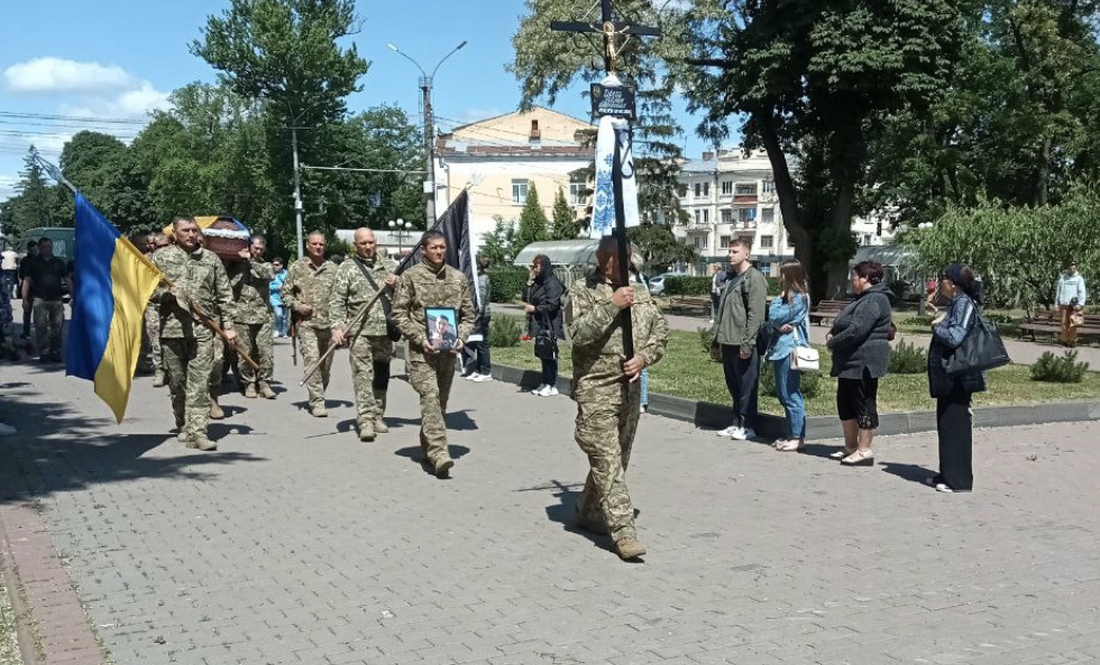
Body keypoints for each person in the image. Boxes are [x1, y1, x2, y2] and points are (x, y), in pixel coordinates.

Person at [567, 235, 669, 561]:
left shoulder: (640, 292)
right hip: (596, 390)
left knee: (617, 459)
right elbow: (577, 333)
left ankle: (586, 512)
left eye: (626, 256)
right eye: (615, 257)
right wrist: (613, 305)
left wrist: (643, 358)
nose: (623, 263)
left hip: (629, 390)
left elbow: (660, 333)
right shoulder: (581, 290)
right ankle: (624, 534)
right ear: (602, 259)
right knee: (608, 461)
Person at [391, 230, 475, 478]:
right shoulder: (411, 277)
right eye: (434, 248)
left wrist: (462, 337)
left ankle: (428, 447)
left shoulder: (458, 279)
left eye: (442, 248)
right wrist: (419, 337)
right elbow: (399, 314)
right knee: (430, 397)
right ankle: (439, 453)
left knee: (439, 404)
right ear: (423, 250)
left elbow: (469, 316)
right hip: (421, 354)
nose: (439, 252)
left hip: (447, 354)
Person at [150, 216, 237, 451]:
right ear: (174, 234)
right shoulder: (161, 257)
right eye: (185, 230)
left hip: (203, 329)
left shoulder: (210, 259)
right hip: (172, 328)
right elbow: (147, 293)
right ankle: (183, 424)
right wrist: (167, 295)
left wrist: (228, 326)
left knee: (200, 383)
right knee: (178, 383)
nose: (190, 234)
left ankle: (198, 432)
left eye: (193, 230)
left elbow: (225, 295)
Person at [330, 228, 399, 441]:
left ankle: (378, 414)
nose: (368, 247)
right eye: (363, 243)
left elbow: (404, 298)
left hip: (385, 332)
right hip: (360, 331)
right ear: (355, 245)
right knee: (362, 376)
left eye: (371, 242)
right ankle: (365, 419)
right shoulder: (347, 268)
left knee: (381, 375)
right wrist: (337, 327)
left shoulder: (390, 267)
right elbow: (337, 301)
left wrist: (397, 286)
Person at [925, 263, 986, 493]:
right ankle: (947, 471)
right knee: (946, 423)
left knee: (956, 425)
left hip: (959, 375)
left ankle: (958, 480)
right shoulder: (957, 302)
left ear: (952, 283)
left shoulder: (964, 303)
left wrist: (937, 326)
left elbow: (955, 337)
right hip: (949, 375)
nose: (940, 283)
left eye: (943, 279)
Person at [826, 260, 893, 466]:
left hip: (864, 362)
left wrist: (833, 342)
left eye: (853, 278)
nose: (851, 281)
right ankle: (850, 446)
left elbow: (857, 330)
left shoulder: (875, 300)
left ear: (865, 279)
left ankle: (864, 450)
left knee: (863, 405)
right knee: (845, 405)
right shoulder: (862, 299)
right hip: (849, 362)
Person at [712, 239, 767, 440]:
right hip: (728, 340)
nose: (730, 254)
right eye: (729, 251)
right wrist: (716, 341)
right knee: (734, 386)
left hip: (743, 343)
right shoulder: (731, 278)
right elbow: (722, 313)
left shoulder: (754, 278)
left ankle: (749, 426)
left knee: (747, 386)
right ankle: (736, 423)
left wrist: (748, 343)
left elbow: (756, 315)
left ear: (747, 254)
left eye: (735, 251)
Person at [282, 232, 338, 418]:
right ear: (307, 245)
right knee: (312, 361)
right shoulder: (297, 268)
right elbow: (285, 294)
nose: (318, 247)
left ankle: (320, 391)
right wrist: (298, 306)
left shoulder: (333, 269)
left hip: (329, 325)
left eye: (321, 244)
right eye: (314, 244)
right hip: (307, 324)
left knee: (326, 366)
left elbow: (341, 297)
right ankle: (317, 401)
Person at [765, 260, 811, 452]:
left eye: (783, 273)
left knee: (791, 394)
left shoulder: (799, 297)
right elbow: (773, 322)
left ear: (791, 276)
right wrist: (776, 323)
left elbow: (774, 317)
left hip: (790, 349)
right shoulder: (787, 298)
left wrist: (778, 301)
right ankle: (789, 433)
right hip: (780, 349)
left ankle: (797, 437)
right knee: (784, 395)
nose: (780, 277)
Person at [228, 235, 276, 399]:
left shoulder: (266, 265)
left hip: (263, 316)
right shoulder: (235, 267)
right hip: (241, 316)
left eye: (261, 249)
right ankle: (249, 383)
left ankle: (265, 383)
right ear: (249, 247)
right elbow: (229, 285)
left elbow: (268, 275)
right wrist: (240, 264)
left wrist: (251, 261)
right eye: (255, 248)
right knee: (245, 353)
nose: (258, 251)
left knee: (265, 352)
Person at [21, 237, 72, 364]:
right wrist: (24, 299)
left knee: (57, 327)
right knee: (41, 327)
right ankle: (44, 352)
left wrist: (74, 296)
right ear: (39, 247)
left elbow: (67, 280)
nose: (47, 249)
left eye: (49, 246)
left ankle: (55, 352)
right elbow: (26, 281)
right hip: (39, 299)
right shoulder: (33, 263)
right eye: (44, 247)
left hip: (56, 300)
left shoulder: (59, 263)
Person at [524, 254, 565, 397]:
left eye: (537, 266)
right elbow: (527, 298)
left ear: (544, 266)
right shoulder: (539, 282)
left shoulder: (552, 283)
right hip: (540, 322)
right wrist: (529, 283)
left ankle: (552, 384)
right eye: (534, 266)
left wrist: (535, 309)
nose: (534, 269)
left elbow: (553, 305)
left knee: (550, 352)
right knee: (543, 352)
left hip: (550, 323)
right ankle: (545, 381)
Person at [462, 254, 493, 382]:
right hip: (477, 315)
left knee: (482, 343)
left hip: (481, 315)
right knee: (476, 342)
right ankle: (479, 369)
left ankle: (486, 371)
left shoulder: (482, 279)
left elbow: (481, 300)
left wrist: (477, 317)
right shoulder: (477, 278)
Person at [1055, 261, 1087, 348]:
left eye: (1073, 266)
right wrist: (1056, 304)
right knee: (1064, 324)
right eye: (1070, 266)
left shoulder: (1079, 279)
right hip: (1064, 305)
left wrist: (1080, 304)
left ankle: (1072, 341)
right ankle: (1065, 340)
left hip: (1074, 306)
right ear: (1068, 267)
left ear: (1076, 267)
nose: (1072, 268)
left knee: (1073, 324)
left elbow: (1082, 292)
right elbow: (1058, 292)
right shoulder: (1062, 279)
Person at [16, 240, 37, 340]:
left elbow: (21, 276)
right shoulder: (39, 260)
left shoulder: (24, 260)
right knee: (29, 312)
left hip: (31, 289)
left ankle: (26, 332)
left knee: (29, 312)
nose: (34, 251)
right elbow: (23, 276)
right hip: (31, 289)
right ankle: (27, 332)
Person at [270, 257, 289, 338]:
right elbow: (268, 286)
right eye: (273, 264)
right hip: (274, 298)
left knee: (285, 316)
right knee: (278, 314)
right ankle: (277, 330)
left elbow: (290, 284)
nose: (275, 266)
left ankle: (284, 332)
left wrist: (285, 287)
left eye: (277, 265)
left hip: (285, 297)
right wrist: (277, 287)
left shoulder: (286, 273)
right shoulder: (271, 274)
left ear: (281, 265)